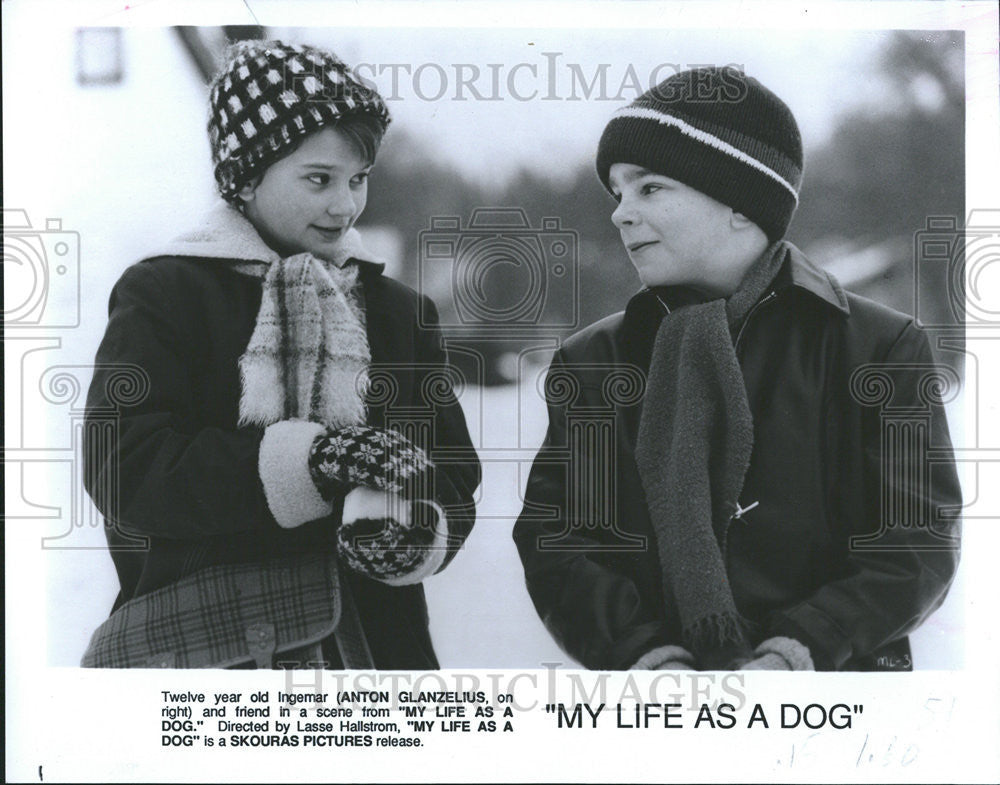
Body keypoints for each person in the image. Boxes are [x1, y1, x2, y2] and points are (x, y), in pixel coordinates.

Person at [513, 66, 961, 671]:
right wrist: (646, 654)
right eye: (617, 193)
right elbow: (558, 541)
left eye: (649, 189)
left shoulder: (879, 346)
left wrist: (800, 649)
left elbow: (916, 541)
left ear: (740, 205)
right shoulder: (593, 362)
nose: (620, 213)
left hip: (829, 702)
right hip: (659, 708)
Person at [81, 40, 480, 669]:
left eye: (357, 179)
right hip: (210, 655)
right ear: (244, 176)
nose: (344, 205)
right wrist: (309, 463)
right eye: (318, 178)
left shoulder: (398, 310)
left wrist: (411, 529)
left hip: (373, 652)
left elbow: (450, 471)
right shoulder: (165, 293)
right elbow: (125, 468)